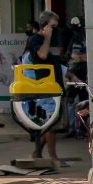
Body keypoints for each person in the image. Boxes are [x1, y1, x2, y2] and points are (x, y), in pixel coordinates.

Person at [25, 20, 65, 167]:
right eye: (51, 27)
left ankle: (37, 152)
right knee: (50, 124)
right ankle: (53, 156)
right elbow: (42, 55)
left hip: (53, 87)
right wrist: (47, 37)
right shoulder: (37, 41)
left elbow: (57, 61)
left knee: (52, 123)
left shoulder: (51, 41)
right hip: (43, 89)